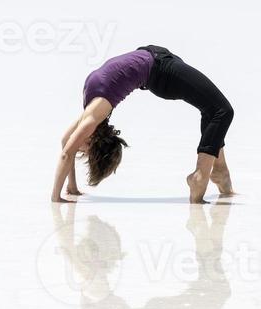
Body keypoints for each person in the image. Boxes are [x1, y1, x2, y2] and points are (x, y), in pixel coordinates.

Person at [51, 45, 235, 204]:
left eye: (82, 152)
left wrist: (70, 188)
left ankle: (219, 169)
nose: (78, 148)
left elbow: (66, 146)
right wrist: (57, 196)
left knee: (212, 110)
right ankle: (200, 176)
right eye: (83, 152)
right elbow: (68, 151)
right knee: (223, 110)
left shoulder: (91, 114)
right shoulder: (92, 116)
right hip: (161, 71)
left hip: (159, 62)